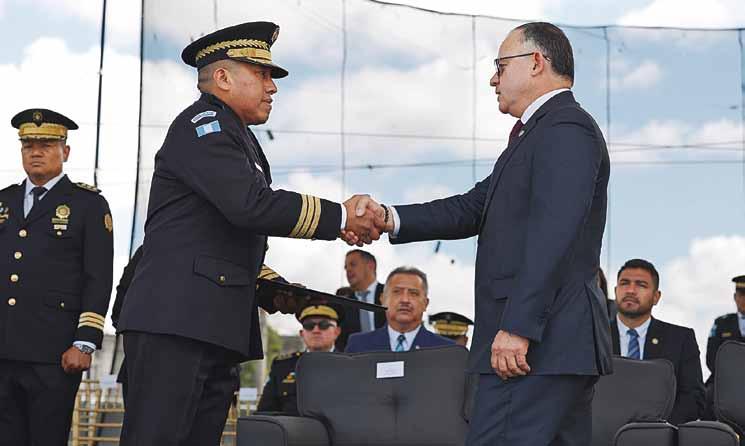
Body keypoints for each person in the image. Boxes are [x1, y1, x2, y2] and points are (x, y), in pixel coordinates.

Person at [345, 21, 612, 445]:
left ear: (536, 63)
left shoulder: (565, 128)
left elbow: (554, 234)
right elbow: (472, 207)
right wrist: (388, 216)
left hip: (536, 346)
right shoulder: (536, 135)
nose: (493, 79)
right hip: (551, 346)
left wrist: (519, 327)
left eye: (501, 67)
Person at [116, 22, 381, 446]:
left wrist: (274, 288)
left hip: (209, 325)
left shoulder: (238, 137)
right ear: (222, 77)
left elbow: (216, 240)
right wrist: (341, 216)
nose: (272, 87)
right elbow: (250, 206)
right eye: (261, 74)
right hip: (177, 324)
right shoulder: (203, 127)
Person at [0, 108, 114, 445]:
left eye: (46, 145)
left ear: (65, 151)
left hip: (55, 353)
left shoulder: (88, 205)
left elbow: (98, 277)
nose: (35, 152)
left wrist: (85, 341)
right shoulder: (4, 201)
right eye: (28, 145)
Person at [611, 259, 705, 425]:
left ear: (656, 297)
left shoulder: (680, 339)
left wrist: (657, 430)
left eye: (641, 285)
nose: (631, 290)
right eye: (624, 283)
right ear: (615, 290)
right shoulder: (592, 337)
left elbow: (693, 397)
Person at [256, 303, 342, 415]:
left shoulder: (350, 365)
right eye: (309, 326)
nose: (316, 330)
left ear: (337, 332)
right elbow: (265, 412)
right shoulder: (283, 366)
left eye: (324, 325)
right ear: (302, 333)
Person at [345, 266, 454, 353]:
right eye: (397, 292)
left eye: (413, 293)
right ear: (382, 299)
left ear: (425, 303)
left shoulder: (447, 350)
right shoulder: (358, 345)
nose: (405, 300)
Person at [335, 249, 385, 350]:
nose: (348, 270)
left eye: (353, 265)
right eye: (346, 267)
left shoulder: (391, 294)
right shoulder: (342, 304)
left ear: (371, 265)